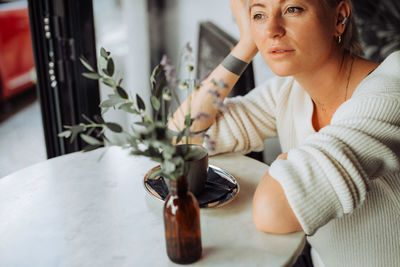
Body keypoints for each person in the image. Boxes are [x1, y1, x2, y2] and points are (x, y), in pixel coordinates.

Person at [169, 0, 400, 266]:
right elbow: (182, 139)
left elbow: (273, 211)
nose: (271, 29)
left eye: (293, 9)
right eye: (258, 15)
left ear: (339, 17)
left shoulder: (390, 91)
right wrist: (246, 44)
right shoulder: (288, 91)